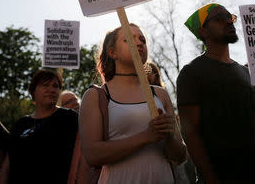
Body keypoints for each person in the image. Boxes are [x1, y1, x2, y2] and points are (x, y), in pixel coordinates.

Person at [177, 3, 255, 183]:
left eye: (230, 17)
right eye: (219, 18)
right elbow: (191, 134)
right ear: (203, 32)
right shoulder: (191, 73)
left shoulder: (246, 74)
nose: (228, 21)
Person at [79, 23, 186, 183]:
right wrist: (145, 136)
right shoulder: (96, 96)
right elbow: (93, 155)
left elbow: (180, 156)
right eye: (129, 39)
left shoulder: (160, 94)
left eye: (142, 39)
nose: (139, 43)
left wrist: (170, 136)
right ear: (112, 52)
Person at [0, 69, 79, 184]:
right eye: (45, 85)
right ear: (33, 91)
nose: (51, 90)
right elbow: (7, 164)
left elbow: (81, 159)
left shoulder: (70, 118)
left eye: (55, 86)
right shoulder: (22, 123)